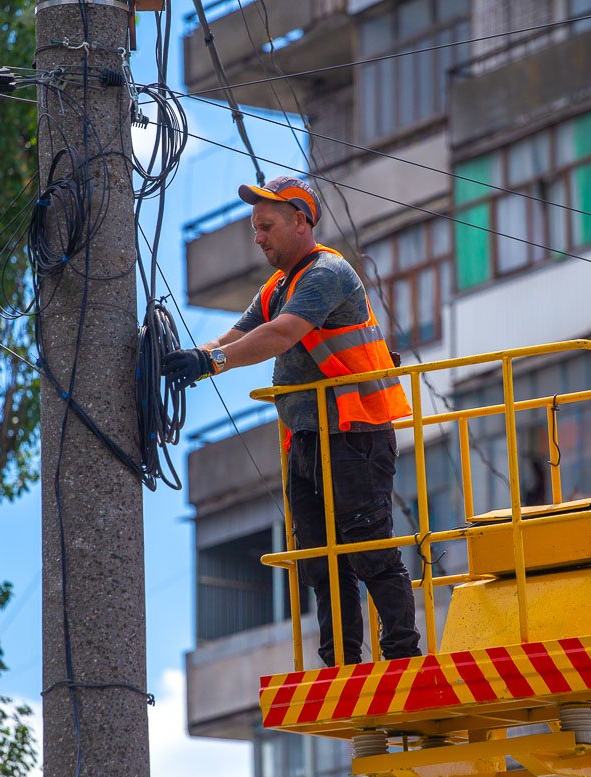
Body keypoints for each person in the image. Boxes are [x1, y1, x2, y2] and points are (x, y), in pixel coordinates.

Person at [163, 176, 422, 667]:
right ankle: (341, 662)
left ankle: (402, 656)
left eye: (266, 226)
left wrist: (211, 363)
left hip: (354, 434)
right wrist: (193, 357)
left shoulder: (326, 272)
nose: (258, 237)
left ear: (301, 221)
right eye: (254, 229)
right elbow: (238, 334)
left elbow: (281, 333)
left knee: (368, 548)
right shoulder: (279, 286)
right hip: (308, 439)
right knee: (320, 559)